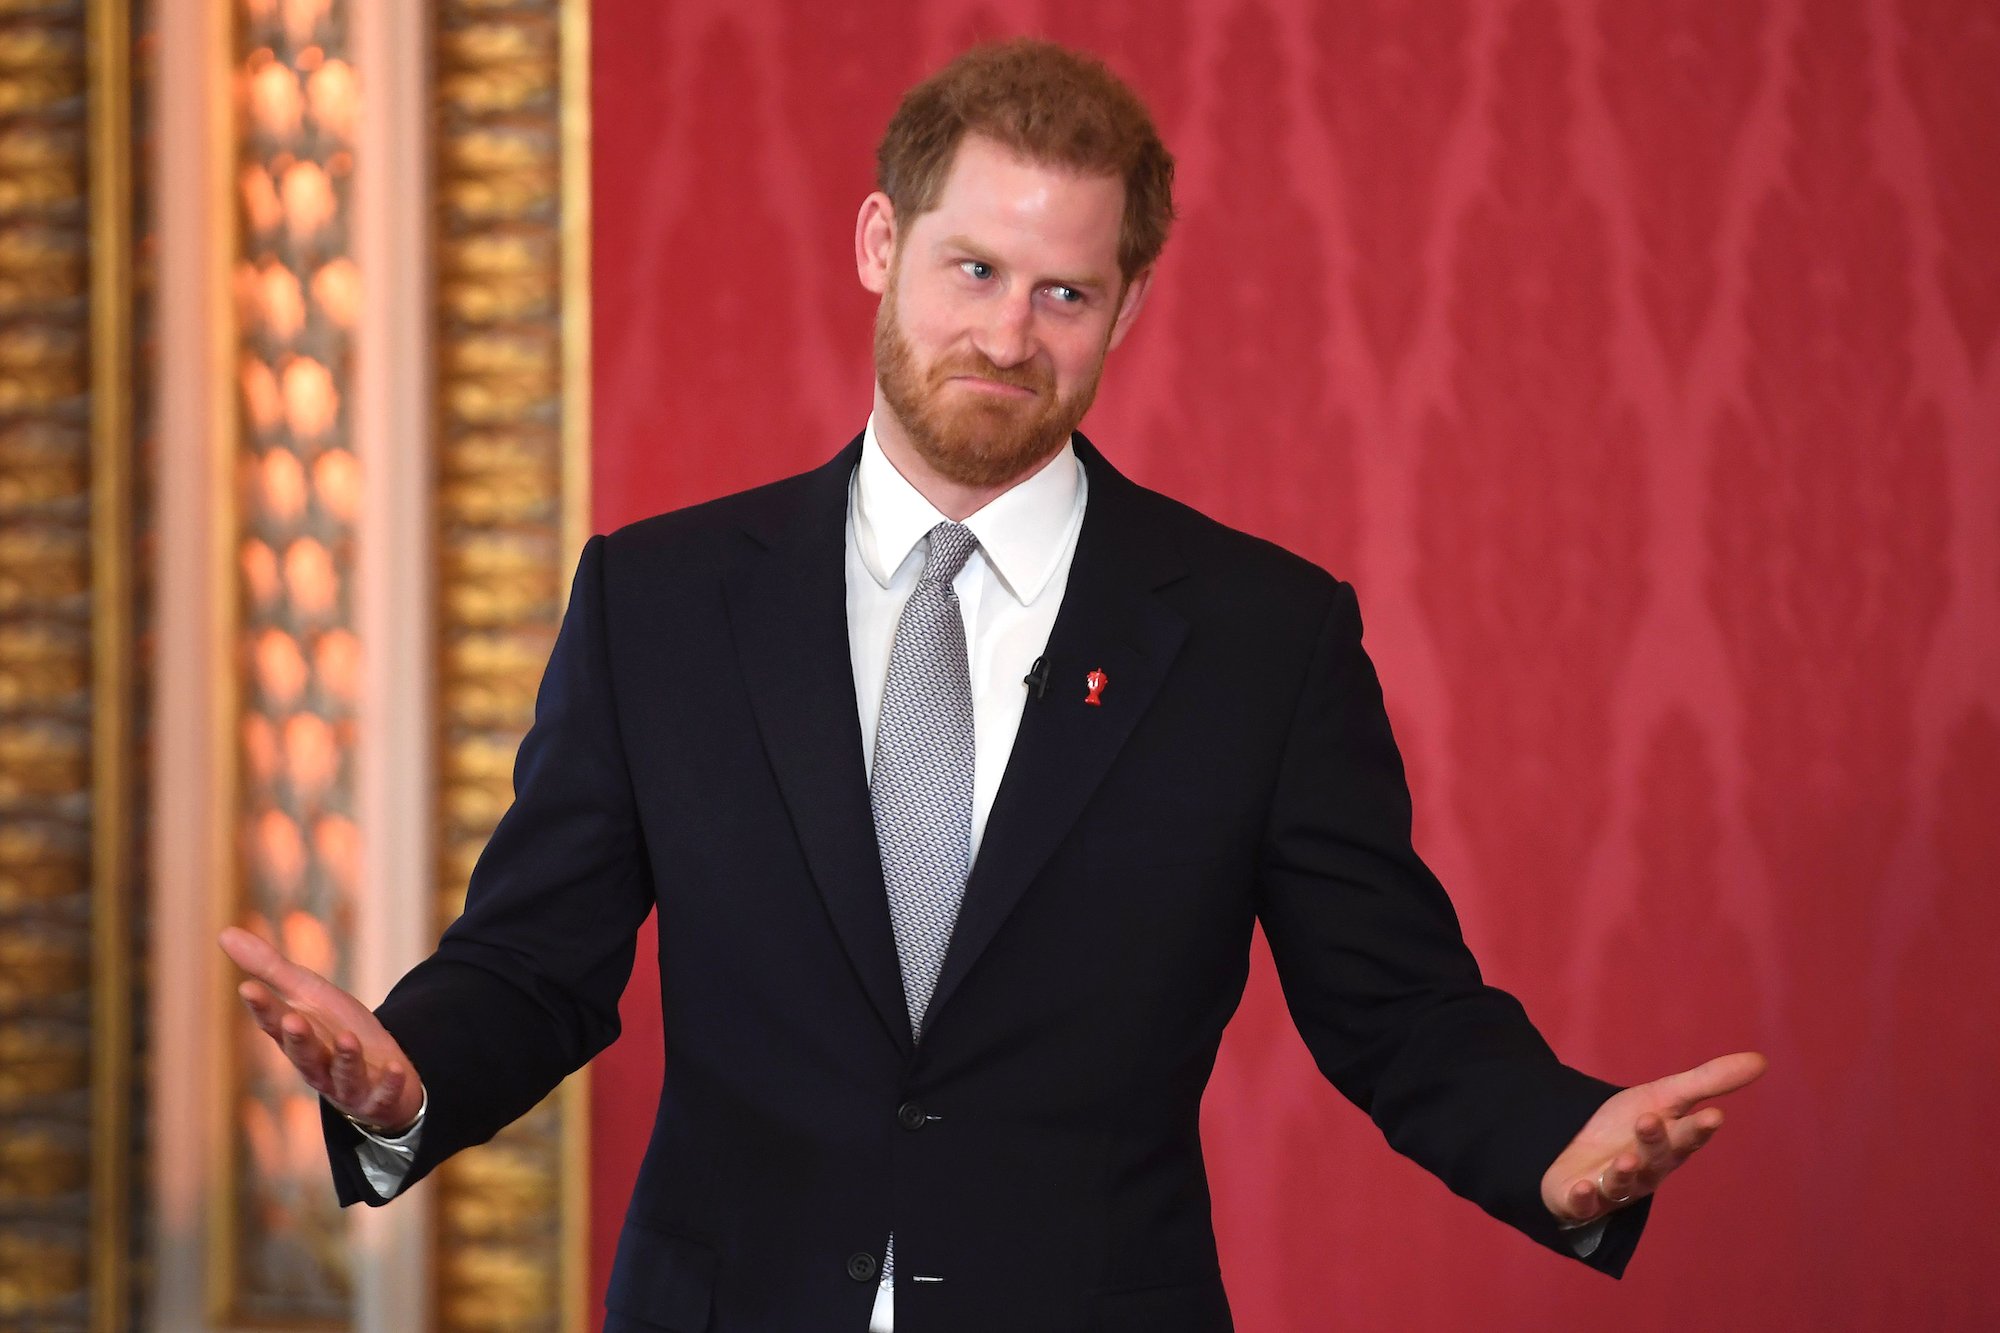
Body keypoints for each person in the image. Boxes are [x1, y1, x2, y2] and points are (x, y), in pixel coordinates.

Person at [221, 38, 1766, 1333]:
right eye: (973, 268)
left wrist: (1558, 1143)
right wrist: (404, 1071)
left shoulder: (1259, 635)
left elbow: (1396, 1007)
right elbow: (538, 960)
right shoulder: (664, 597)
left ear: (1126, 309)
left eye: (1063, 294)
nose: (1007, 336)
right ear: (882, 246)